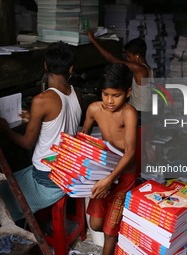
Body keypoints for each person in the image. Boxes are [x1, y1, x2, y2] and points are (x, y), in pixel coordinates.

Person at [0, 41, 82, 221]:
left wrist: (5, 129)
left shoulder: (42, 99)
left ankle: (13, 227)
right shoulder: (76, 93)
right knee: (8, 181)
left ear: (45, 65)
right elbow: (58, 123)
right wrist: (35, 118)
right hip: (68, 168)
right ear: (70, 69)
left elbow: (27, 143)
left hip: (47, 176)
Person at [81, 63, 138, 255]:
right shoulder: (94, 109)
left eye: (116, 95)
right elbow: (83, 138)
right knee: (96, 224)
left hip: (124, 176)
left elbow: (130, 151)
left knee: (109, 230)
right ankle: (126, 227)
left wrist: (109, 180)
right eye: (105, 94)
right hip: (104, 172)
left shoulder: (128, 113)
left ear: (128, 92)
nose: (110, 101)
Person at [84, 31, 156, 165]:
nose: (128, 59)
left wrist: (93, 40)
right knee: (141, 149)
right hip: (147, 114)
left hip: (140, 113)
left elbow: (113, 60)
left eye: (129, 56)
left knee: (130, 153)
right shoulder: (149, 69)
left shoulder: (141, 69)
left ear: (138, 56)